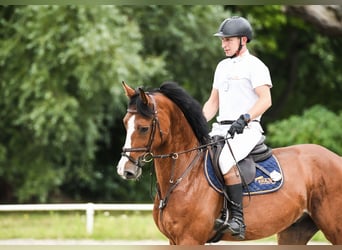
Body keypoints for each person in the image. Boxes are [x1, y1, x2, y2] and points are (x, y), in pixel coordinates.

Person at [203, 16, 273, 240]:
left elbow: (265, 100)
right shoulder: (222, 66)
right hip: (221, 129)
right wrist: (196, 121)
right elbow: (213, 102)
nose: (224, 44)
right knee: (200, 157)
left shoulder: (256, 66)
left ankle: (237, 219)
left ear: (243, 40)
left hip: (247, 130)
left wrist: (244, 119)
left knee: (225, 161)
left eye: (229, 40)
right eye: (223, 40)